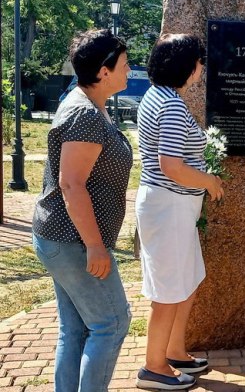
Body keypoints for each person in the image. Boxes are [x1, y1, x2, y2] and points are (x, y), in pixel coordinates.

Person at [31, 29, 133, 391]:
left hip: (63, 239)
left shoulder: (89, 105)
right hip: (73, 242)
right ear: (103, 71)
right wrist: (95, 245)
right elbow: (71, 184)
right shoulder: (84, 114)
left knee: (75, 329)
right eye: (124, 64)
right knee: (112, 324)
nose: (129, 70)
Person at [134, 34, 224, 390]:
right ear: (185, 66)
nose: (201, 68)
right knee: (169, 289)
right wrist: (209, 181)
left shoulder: (160, 97)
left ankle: (174, 351)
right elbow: (170, 164)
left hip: (173, 207)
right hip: (169, 205)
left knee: (186, 281)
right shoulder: (169, 105)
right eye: (198, 62)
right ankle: (154, 368)